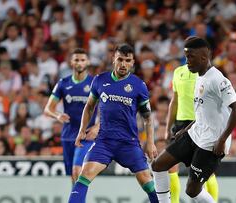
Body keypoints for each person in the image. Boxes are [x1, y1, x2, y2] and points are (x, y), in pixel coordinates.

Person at [152, 37, 236, 203]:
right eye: (186, 56)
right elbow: (203, 112)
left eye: (190, 57)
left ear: (203, 57)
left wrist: (222, 140)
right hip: (195, 133)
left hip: (212, 142)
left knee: (192, 191)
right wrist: (185, 130)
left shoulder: (217, 79)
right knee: (158, 165)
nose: (187, 61)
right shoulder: (199, 76)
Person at [68, 44, 159, 203]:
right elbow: (89, 106)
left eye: (127, 60)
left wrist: (150, 142)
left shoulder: (139, 86)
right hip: (104, 142)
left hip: (128, 143)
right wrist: (82, 130)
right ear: (113, 60)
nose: (123, 64)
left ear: (132, 62)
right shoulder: (99, 80)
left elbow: (148, 117)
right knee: (83, 176)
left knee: (147, 181)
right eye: (120, 59)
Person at [165, 63, 219, 203]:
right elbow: (175, 100)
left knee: (206, 171)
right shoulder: (177, 72)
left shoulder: (207, 73)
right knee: (170, 167)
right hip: (181, 124)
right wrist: (167, 128)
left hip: (200, 122)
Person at [44, 48, 97, 183]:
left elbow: (108, 108)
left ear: (88, 62)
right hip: (68, 135)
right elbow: (48, 109)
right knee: (73, 176)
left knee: (77, 171)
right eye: (76, 60)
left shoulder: (94, 83)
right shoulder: (63, 83)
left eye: (82, 60)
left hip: (86, 135)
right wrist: (57, 116)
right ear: (71, 63)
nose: (79, 63)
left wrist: (98, 126)